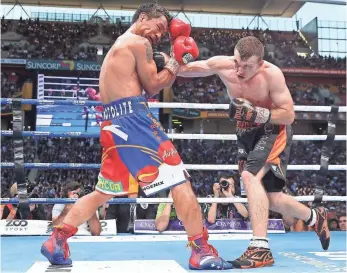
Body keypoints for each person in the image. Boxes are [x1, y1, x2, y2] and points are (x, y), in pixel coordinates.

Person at [41, 3, 231, 270]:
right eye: (159, 27)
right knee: (178, 180)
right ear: (144, 18)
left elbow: (145, 84)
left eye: (165, 32)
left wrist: (167, 63)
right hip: (133, 120)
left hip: (112, 122)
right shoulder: (138, 42)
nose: (160, 34)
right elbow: (154, 84)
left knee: (102, 192)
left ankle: (57, 240)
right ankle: (200, 250)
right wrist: (177, 61)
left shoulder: (122, 44)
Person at [178, 36, 330, 268]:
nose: (239, 70)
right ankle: (314, 217)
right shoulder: (224, 65)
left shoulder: (272, 74)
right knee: (269, 198)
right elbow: (190, 69)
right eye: (237, 62)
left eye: (247, 66)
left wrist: (258, 113)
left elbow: (289, 115)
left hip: (272, 131)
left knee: (250, 177)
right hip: (245, 133)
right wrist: (169, 63)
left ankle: (260, 248)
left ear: (260, 63)